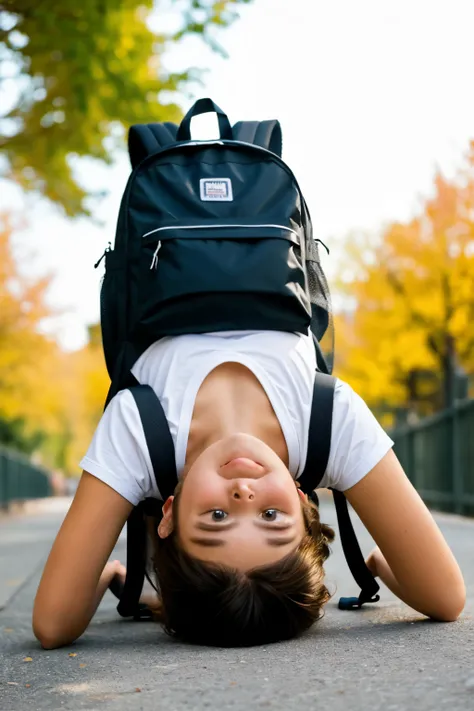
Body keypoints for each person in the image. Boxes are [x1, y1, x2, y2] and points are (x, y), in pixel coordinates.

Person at [32, 328, 466, 649]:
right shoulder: (327, 423)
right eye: (272, 518)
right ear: (301, 500)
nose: (243, 496)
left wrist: (112, 574)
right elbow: (446, 598)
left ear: (168, 512)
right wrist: (380, 563)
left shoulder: (139, 430)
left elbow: (52, 625)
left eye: (217, 518)